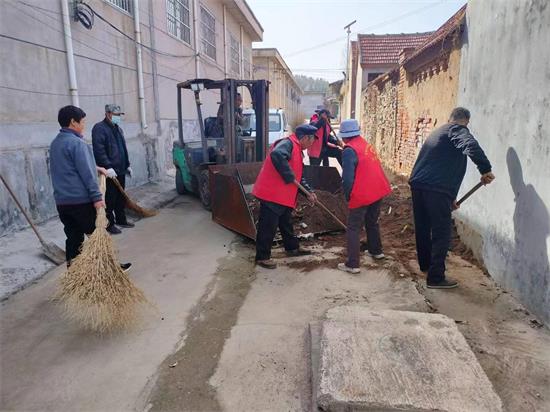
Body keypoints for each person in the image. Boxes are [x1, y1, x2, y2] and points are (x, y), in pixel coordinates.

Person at [409, 107, 495, 289]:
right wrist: (485, 169)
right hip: (435, 188)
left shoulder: (439, 132)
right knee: (442, 232)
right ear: (466, 121)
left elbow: (441, 166)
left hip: (419, 185)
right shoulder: (456, 130)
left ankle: (426, 266)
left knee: (423, 227)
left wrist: (449, 198)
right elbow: (470, 145)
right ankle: (436, 278)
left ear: (450, 117)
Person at [49, 105, 131, 272]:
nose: (83, 125)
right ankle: (112, 269)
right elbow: (86, 175)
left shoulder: (56, 143)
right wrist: (97, 199)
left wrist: (97, 167)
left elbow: (70, 166)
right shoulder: (78, 143)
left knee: (73, 238)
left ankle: (74, 273)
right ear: (73, 122)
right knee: (98, 236)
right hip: (81, 202)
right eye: (82, 122)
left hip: (63, 202)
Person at [252, 124, 319, 269]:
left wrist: (309, 192)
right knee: (268, 226)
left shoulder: (297, 149)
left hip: (282, 196)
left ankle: (292, 248)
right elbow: (276, 155)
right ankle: (262, 257)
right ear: (306, 137)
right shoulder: (287, 144)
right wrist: (288, 176)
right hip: (271, 194)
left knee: (286, 223)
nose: (313, 143)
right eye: (312, 139)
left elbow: (298, 177)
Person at [336, 119, 392, 274]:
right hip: (378, 188)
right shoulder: (365, 144)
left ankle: (352, 264)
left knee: (353, 227)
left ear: (344, 136)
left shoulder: (349, 150)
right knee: (372, 221)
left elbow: (347, 179)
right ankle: (376, 251)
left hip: (364, 192)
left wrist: (348, 196)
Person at [92, 104, 133, 235]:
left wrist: (127, 164)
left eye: (119, 115)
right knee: (110, 199)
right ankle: (110, 224)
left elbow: (123, 149)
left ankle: (121, 219)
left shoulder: (118, 129)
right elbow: (99, 150)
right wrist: (108, 167)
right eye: (116, 115)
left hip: (120, 169)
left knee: (121, 197)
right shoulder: (99, 128)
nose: (118, 117)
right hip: (109, 172)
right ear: (108, 114)